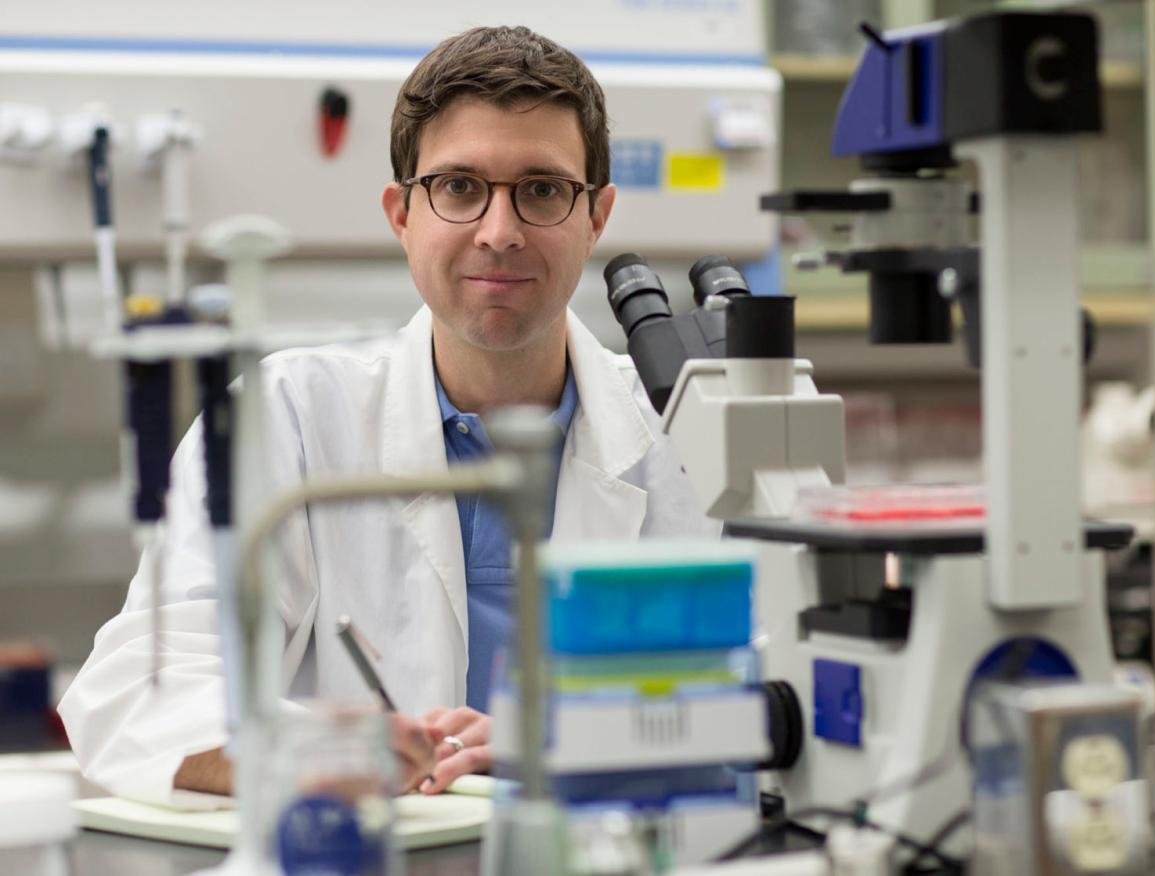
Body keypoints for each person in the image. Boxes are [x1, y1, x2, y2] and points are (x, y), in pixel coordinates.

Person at [58, 25, 716, 805]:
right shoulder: (288, 417)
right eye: (460, 187)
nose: (498, 232)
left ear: (596, 216)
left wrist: (574, 740)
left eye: (541, 190)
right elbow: (140, 690)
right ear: (402, 214)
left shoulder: (690, 431)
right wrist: (325, 749)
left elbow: (779, 693)